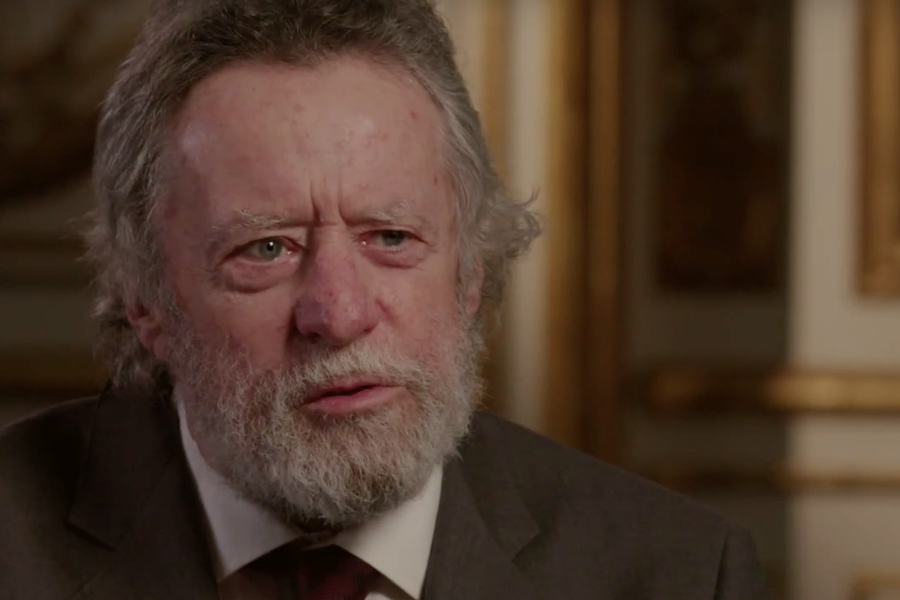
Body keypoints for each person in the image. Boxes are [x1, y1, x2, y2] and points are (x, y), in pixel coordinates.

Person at [0, 1, 770, 598]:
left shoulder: (681, 575)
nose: (339, 315)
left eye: (391, 237)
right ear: (145, 300)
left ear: (470, 270)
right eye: (266, 249)